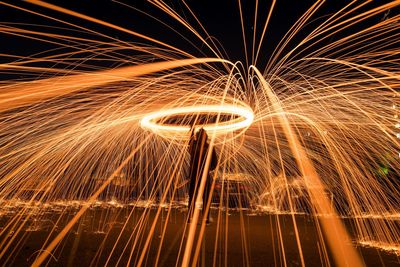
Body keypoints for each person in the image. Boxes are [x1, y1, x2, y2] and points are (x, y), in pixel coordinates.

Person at [188, 127, 218, 224]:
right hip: (204, 176)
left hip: (195, 175)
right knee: (204, 198)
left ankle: (191, 218)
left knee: (193, 197)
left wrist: (192, 129)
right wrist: (208, 169)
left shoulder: (194, 146)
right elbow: (214, 163)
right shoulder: (209, 147)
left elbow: (214, 163)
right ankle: (205, 218)